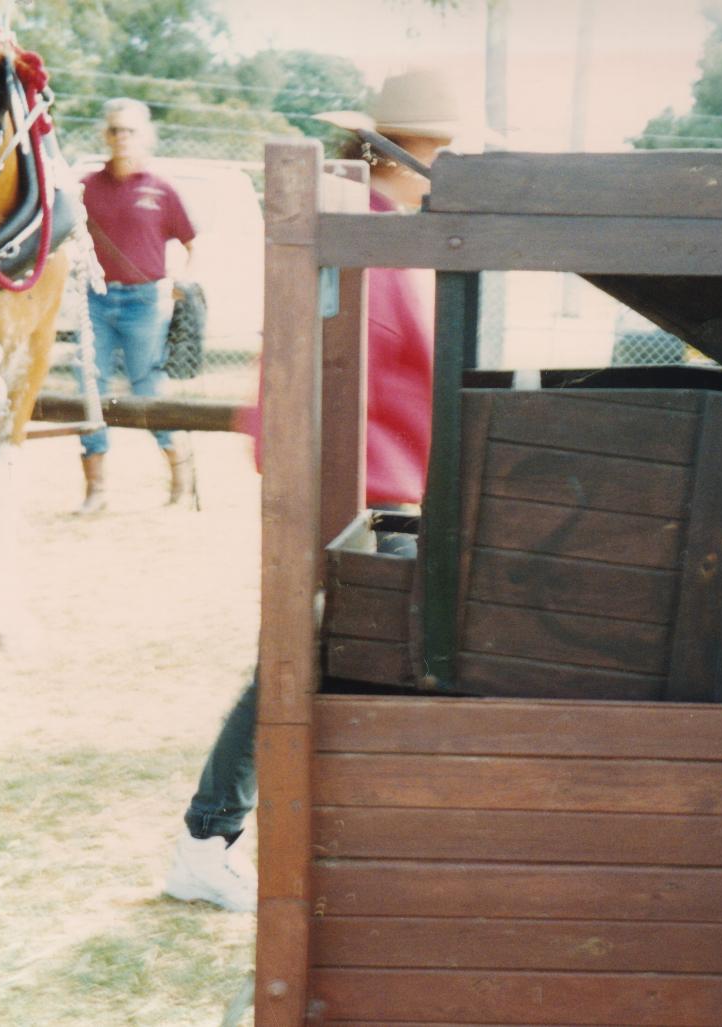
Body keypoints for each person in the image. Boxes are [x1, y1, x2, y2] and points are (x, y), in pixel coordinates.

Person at [162, 68, 462, 910]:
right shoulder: (374, 239)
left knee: (300, 668)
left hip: (366, 494)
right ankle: (208, 840)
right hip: (362, 497)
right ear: (416, 157)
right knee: (303, 669)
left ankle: (211, 839)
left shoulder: (374, 229)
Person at [75, 97, 198, 514]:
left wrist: (181, 283)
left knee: (147, 390)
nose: (121, 138)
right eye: (114, 130)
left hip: (144, 302)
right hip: (94, 299)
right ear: (104, 135)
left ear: (145, 136)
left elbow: (191, 243)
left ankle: (181, 485)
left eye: (129, 130)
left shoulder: (161, 190)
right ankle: (96, 491)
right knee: (89, 386)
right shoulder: (86, 188)